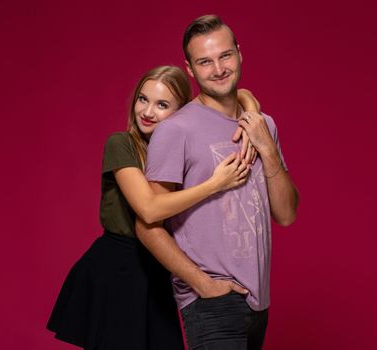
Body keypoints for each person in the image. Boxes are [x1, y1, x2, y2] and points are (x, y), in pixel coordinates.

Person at [47, 65, 261, 350]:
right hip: (118, 267)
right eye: (143, 99)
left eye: (162, 104)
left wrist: (250, 109)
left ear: (182, 112)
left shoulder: (179, 146)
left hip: (161, 269)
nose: (147, 112)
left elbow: (241, 95)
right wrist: (215, 184)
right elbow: (149, 209)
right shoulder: (121, 144)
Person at [136, 16, 299, 350]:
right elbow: (148, 223)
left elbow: (285, 214)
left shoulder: (263, 124)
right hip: (211, 300)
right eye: (205, 62)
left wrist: (266, 146)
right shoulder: (175, 130)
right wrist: (203, 284)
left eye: (225, 56)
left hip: (258, 300)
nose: (219, 68)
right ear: (191, 70)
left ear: (239, 53)